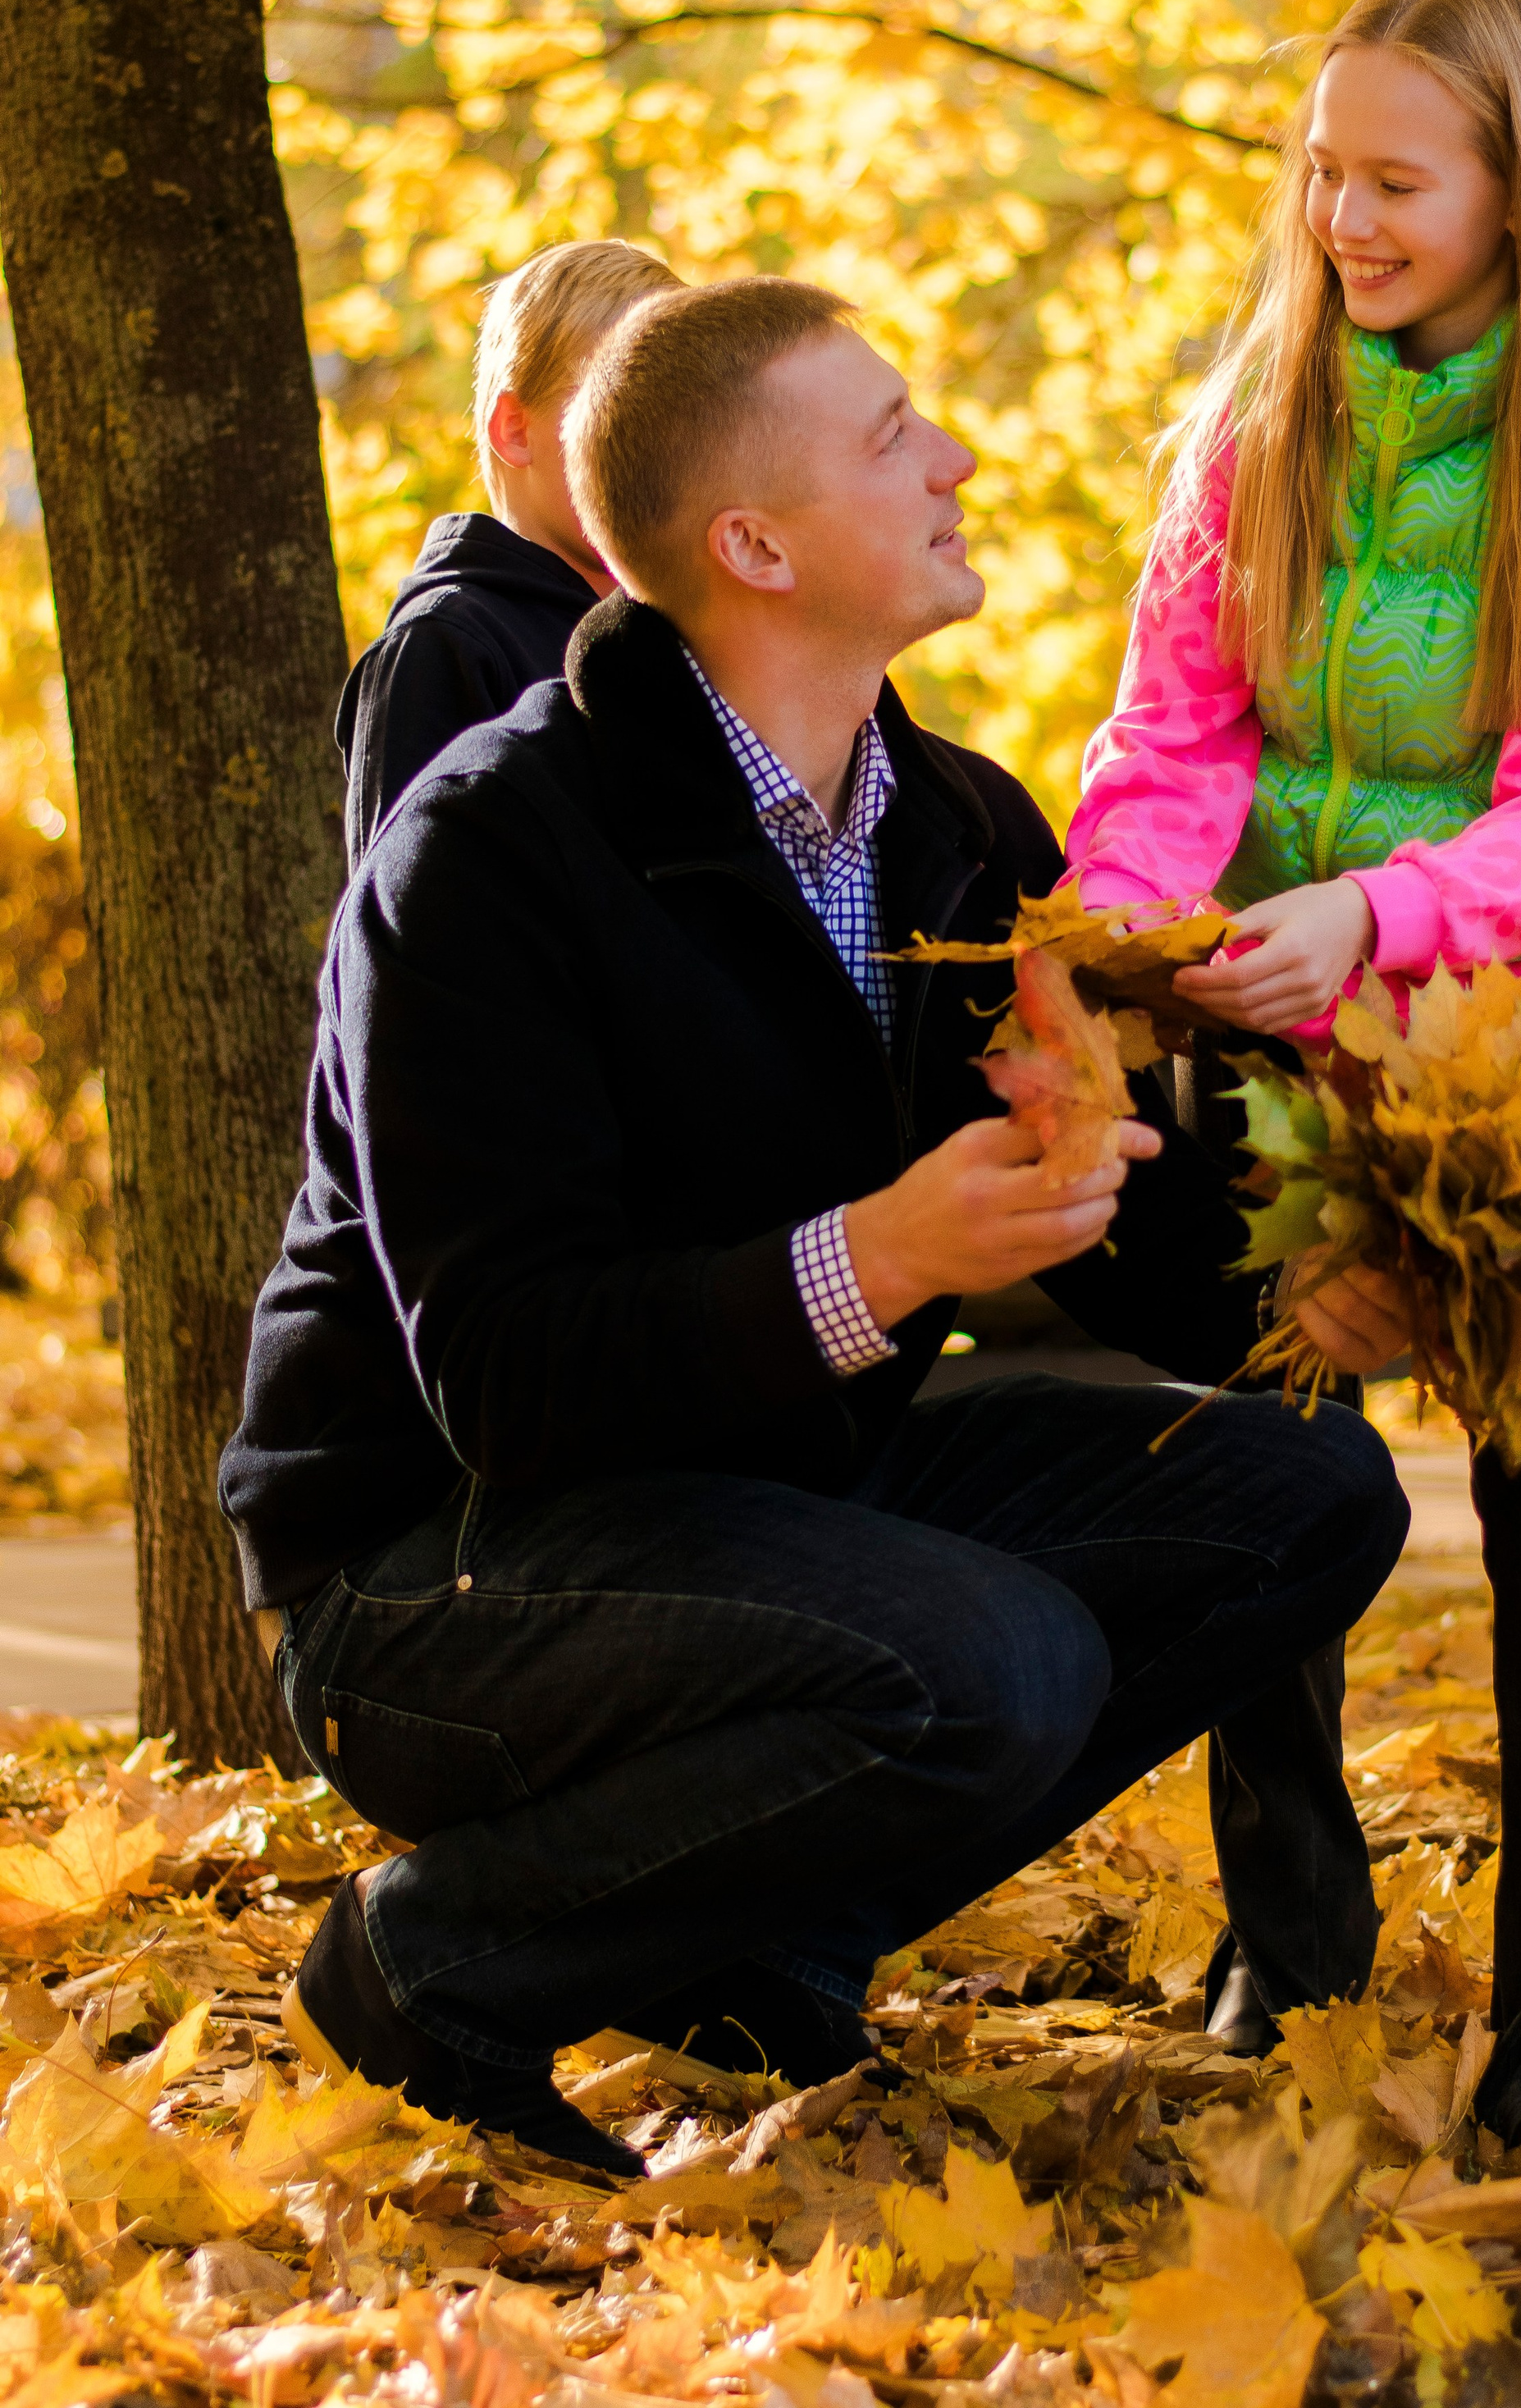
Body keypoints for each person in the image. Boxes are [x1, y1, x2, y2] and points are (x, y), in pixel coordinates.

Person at [222, 274, 1414, 2178]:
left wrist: (1314, 1272)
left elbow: (1110, 1225)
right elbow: (506, 1381)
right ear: (752, 540)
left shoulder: (949, 827)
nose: (954, 454)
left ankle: (746, 1936)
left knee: (1297, 1498)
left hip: (762, 1507)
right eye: (890, 432)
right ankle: (430, 1966)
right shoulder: (492, 846)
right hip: (425, 1569)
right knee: (994, 1659)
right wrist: (887, 1254)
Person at [1064, 0, 1521, 2142]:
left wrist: (1366, 918)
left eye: (1393, 180)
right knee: (1261, 1480)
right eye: (1321, 170)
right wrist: (1136, 926)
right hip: (1253, 1035)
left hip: (1509, 1068)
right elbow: (1174, 736)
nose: (1342, 219)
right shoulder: (1255, 425)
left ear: (1516, 191)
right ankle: (1295, 1932)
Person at [336, 239, 683, 863]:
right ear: (515, 431)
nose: (659, 443)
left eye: (679, 410)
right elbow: (411, 926)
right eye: (621, 405)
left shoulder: (689, 631)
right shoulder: (445, 646)